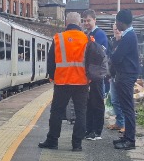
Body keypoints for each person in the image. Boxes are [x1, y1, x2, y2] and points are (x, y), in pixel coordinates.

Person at [39, 12, 90, 152]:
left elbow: (50, 61)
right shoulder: (87, 39)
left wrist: (52, 77)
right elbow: (92, 60)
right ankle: (77, 144)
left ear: (66, 23)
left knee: (56, 112)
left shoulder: (58, 38)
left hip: (62, 82)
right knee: (81, 113)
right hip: (82, 82)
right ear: (79, 24)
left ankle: (52, 141)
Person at [110, 9, 140, 150]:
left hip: (126, 75)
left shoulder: (128, 37)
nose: (116, 25)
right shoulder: (129, 36)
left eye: (117, 22)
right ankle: (127, 136)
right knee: (125, 107)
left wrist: (113, 54)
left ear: (121, 22)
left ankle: (130, 140)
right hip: (126, 75)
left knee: (128, 108)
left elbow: (116, 57)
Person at [82, 9, 109, 141]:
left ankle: (97, 131)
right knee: (89, 103)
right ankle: (89, 129)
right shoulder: (88, 34)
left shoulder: (100, 34)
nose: (86, 23)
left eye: (88, 20)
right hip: (90, 75)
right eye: (84, 21)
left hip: (97, 75)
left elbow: (98, 54)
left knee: (97, 103)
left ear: (94, 20)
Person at [107, 24, 125, 133]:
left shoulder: (124, 43)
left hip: (122, 76)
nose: (117, 31)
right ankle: (119, 122)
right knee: (114, 100)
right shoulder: (112, 43)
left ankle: (124, 124)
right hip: (113, 76)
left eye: (118, 29)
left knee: (122, 100)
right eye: (115, 29)